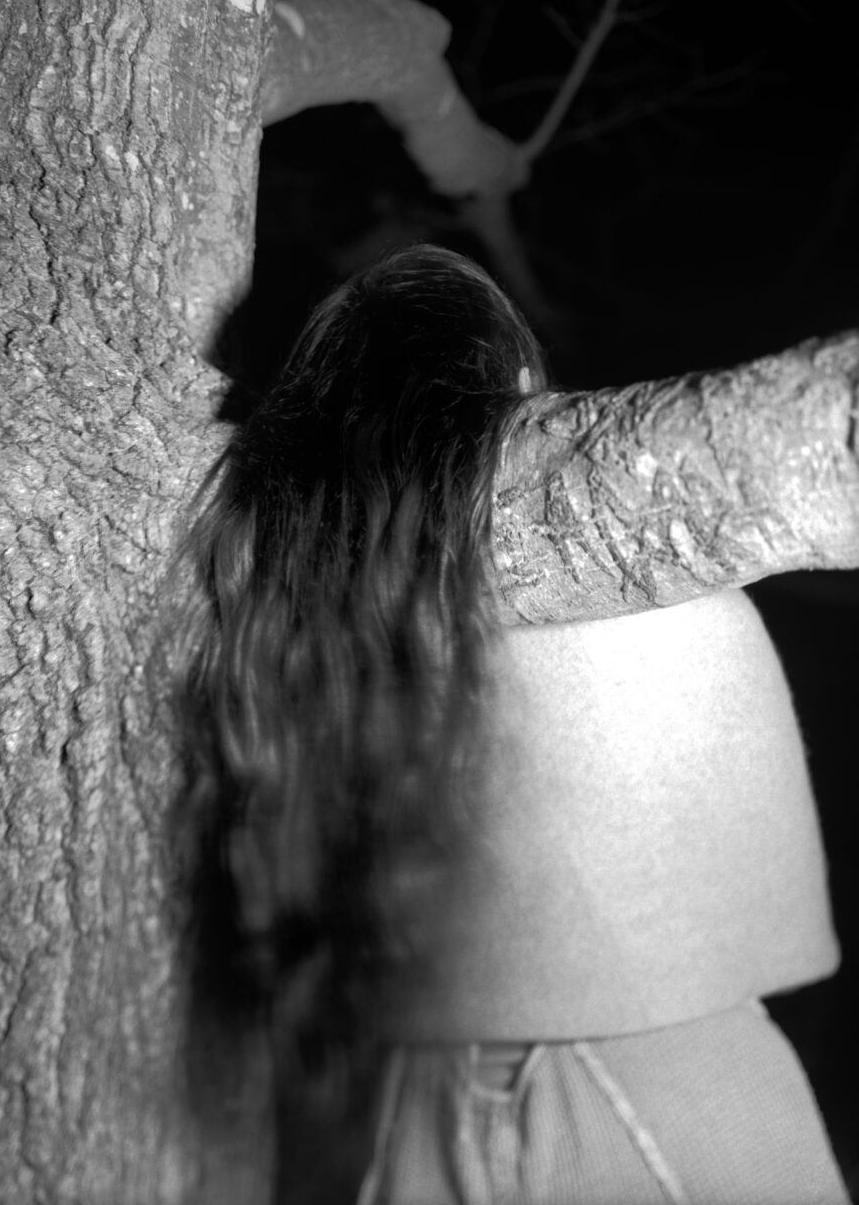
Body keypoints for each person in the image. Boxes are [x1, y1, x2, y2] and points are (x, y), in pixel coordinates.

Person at [176, 244, 852, 1203]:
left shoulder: (288, 593)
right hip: (645, 1055)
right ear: (521, 386)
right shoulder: (582, 538)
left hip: (414, 1086)